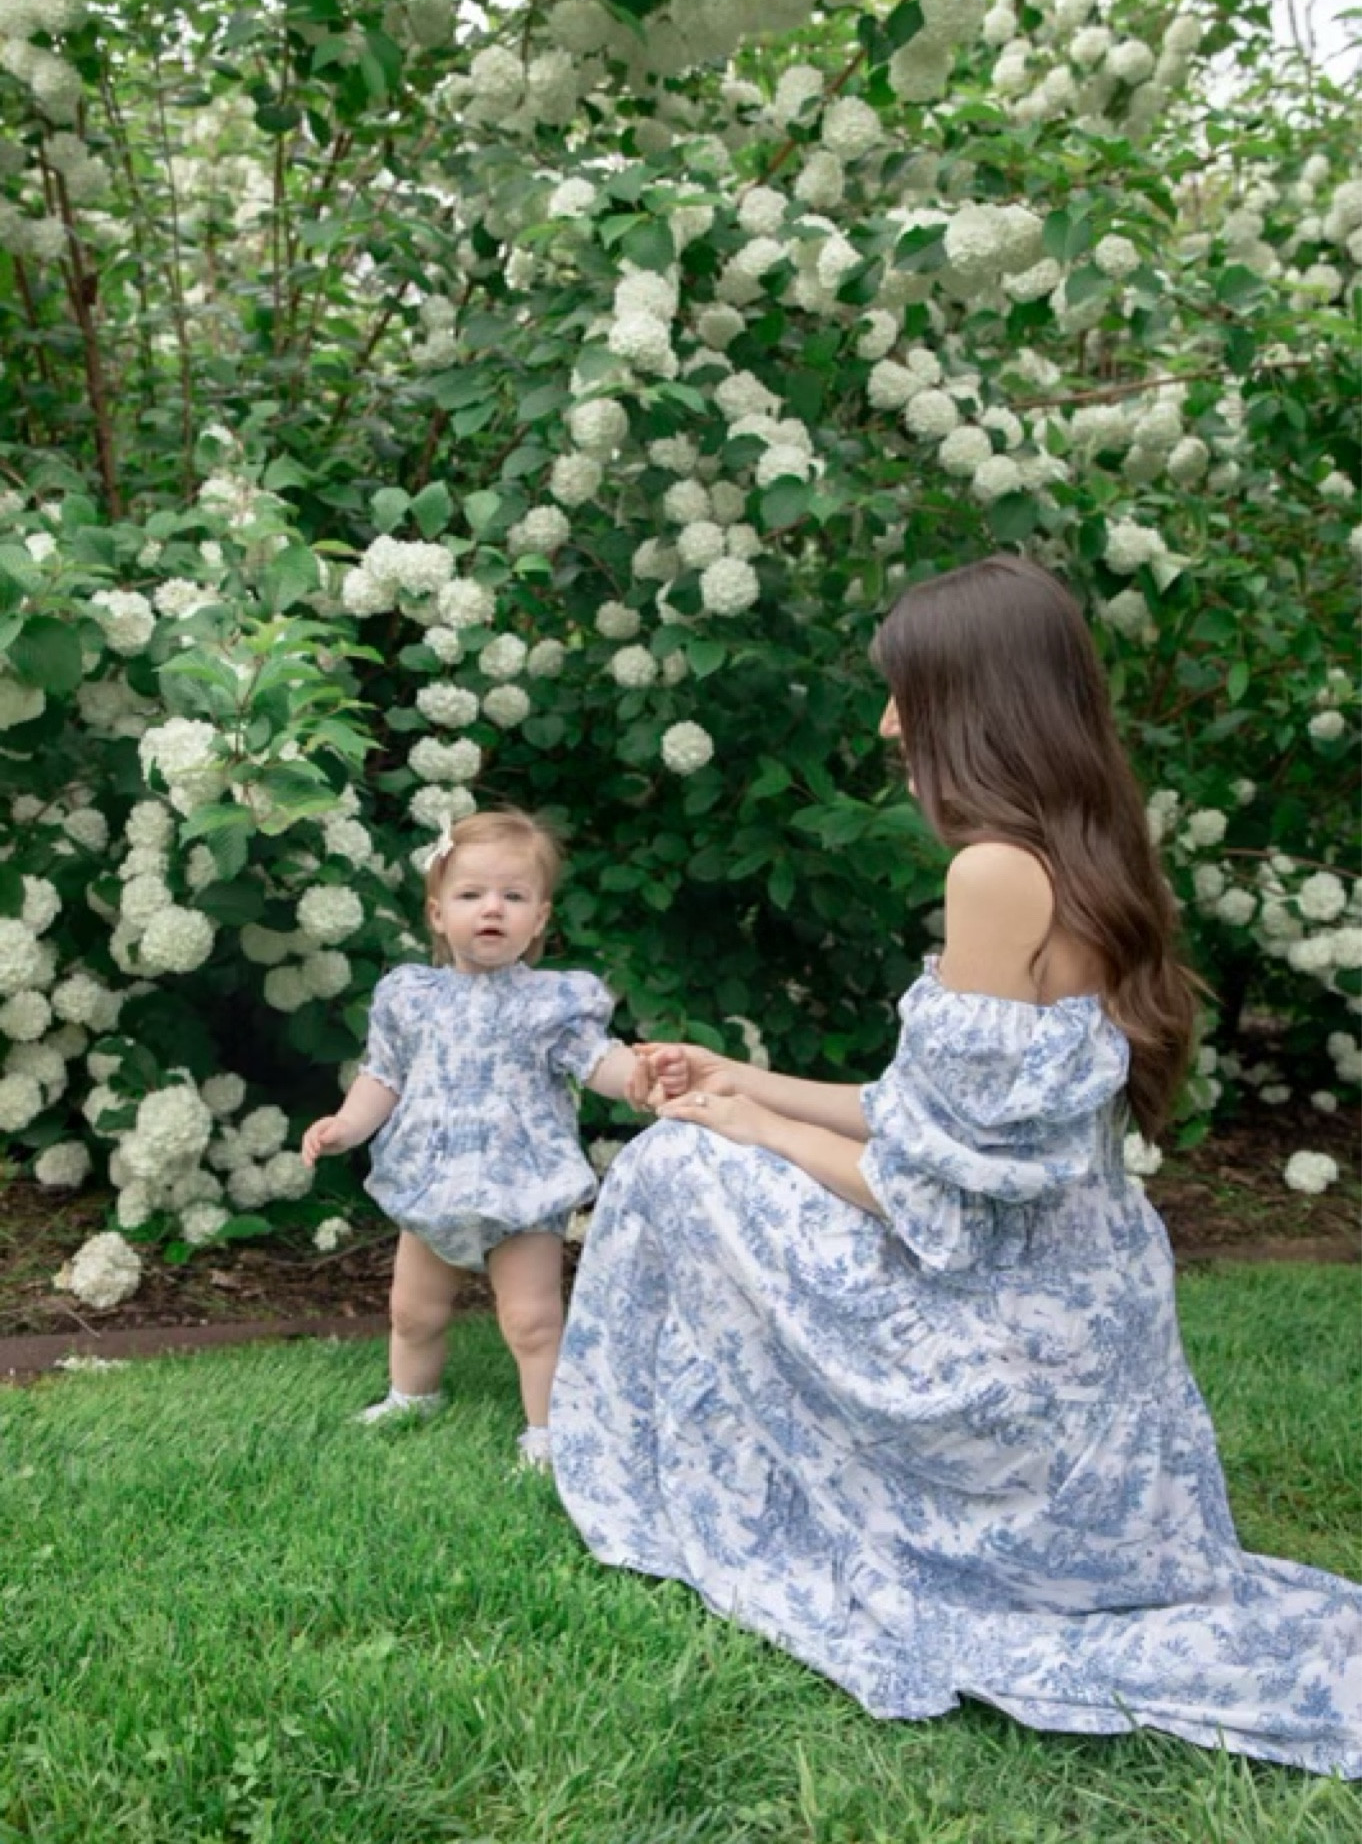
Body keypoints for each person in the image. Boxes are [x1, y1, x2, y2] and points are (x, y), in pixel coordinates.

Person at [550, 556, 1362, 1775]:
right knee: (694, 1142)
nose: (887, 723)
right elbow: (927, 1118)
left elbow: (933, 1195)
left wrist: (739, 1131)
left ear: (977, 700)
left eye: (905, 693)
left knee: (671, 1173)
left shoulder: (994, 872)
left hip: (1011, 1347)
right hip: (1093, 1331)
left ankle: (681, 1496)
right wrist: (743, 1081)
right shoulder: (1088, 848)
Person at [302, 806, 641, 1468]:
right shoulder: (411, 996)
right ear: (437, 913)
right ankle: (412, 1394)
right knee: (413, 1311)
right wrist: (346, 1125)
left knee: (533, 1319)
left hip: (523, 1186)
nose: (493, 908)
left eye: (513, 896)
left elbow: (598, 1059)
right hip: (435, 1179)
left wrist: (642, 1078)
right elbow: (383, 1076)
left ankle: (547, 1430)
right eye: (471, 894)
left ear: (539, 918)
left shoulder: (553, 1000)